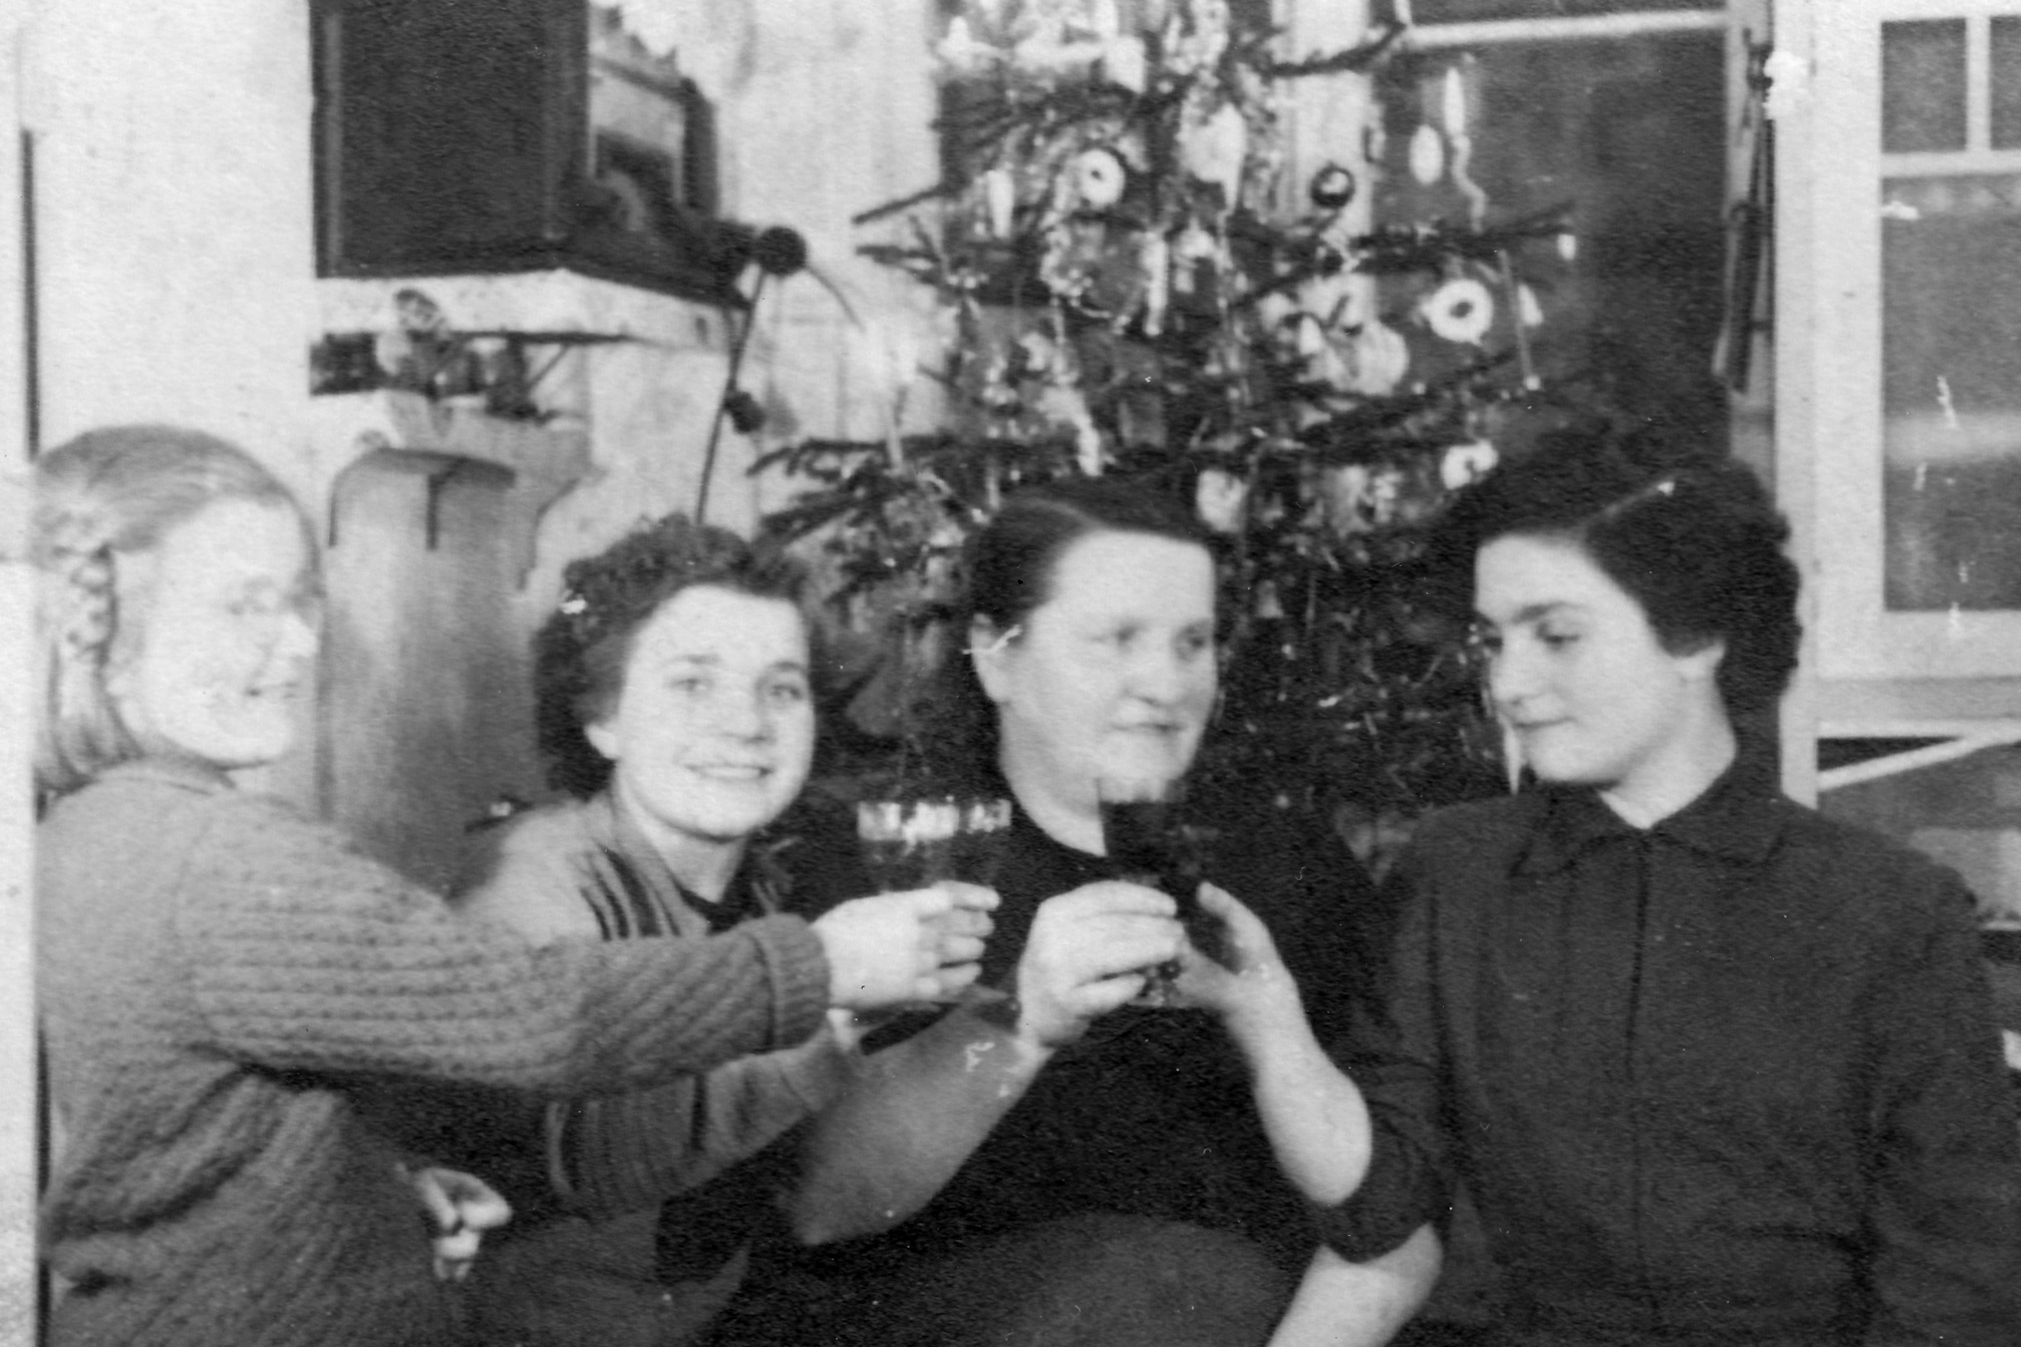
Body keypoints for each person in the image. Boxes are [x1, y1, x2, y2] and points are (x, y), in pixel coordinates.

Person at [32, 425, 986, 1347]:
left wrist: (380, 1202)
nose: (296, 642)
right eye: (243, 605)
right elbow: (539, 1013)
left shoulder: (109, 826)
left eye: (297, 601)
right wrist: (821, 970)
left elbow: (220, 1137)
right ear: (107, 629)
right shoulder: (222, 853)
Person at [1255, 430, 2021, 1345]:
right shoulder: (1452, 871)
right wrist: (1264, 1014)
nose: (1507, 683)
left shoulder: (1889, 908)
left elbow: (1954, 1280)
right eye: (1492, 640)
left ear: (1696, 634)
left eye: (1557, 635)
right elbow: (1382, 1210)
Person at [715, 477, 1435, 1347]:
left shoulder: (1287, 864)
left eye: (1193, 641)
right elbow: (820, 1206)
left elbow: (1400, 1216)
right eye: (1113, 639)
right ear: (996, 657)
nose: (1164, 684)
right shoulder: (900, 860)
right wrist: (1016, 1024)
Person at [432, 514, 993, 1347]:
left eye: (782, 688)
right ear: (602, 717)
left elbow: (811, 1191)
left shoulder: (767, 888)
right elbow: (586, 1155)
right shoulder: (531, 877)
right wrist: (833, 995)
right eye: (693, 683)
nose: (748, 724)